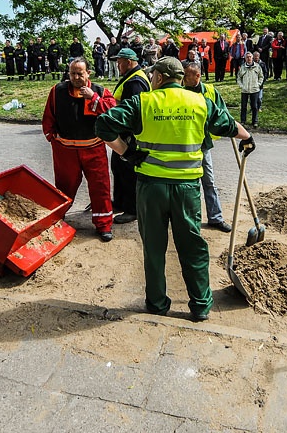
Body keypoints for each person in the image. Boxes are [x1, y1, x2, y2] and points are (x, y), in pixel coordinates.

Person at [95, 56, 255, 321]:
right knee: (192, 246)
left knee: (154, 248)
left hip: (150, 187)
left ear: (158, 77)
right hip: (187, 189)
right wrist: (248, 138)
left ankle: (157, 304)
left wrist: (126, 152)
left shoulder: (144, 102)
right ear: (181, 78)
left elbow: (103, 125)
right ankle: (201, 305)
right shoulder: (201, 103)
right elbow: (228, 125)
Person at [42, 58, 117, 242]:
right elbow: (48, 117)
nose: (76, 77)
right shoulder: (57, 91)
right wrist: (53, 138)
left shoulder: (100, 90)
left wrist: (93, 98)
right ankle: (58, 217)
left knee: (100, 188)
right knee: (63, 187)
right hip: (65, 151)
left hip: (94, 149)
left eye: (80, 73)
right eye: (72, 73)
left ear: (88, 73)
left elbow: (113, 112)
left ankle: (104, 225)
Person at [181, 60, 232, 233]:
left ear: (197, 75)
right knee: (188, 184)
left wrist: (231, 126)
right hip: (185, 144)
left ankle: (215, 217)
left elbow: (223, 113)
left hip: (202, 145)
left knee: (209, 181)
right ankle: (188, 221)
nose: (183, 78)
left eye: (186, 75)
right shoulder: (180, 92)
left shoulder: (210, 91)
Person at [108, 47, 150, 224]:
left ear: (130, 62)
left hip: (129, 135)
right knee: (118, 167)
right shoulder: (131, 77)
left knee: (128, 171)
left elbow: (132, 112)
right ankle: (119, 202)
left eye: (120, 61)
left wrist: (125, 134)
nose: (118, 64)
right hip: (123, 133)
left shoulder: (135, 82)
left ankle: (132, 209)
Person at [237, 52, 264, 127]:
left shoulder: (257, 66)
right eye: (247, 57)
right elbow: (238, 78)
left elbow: (261, 76)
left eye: (250, 57)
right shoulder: (242, 67)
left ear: (252, 58)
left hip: (254, 90)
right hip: (245, 90)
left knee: (254, 106)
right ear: (245, 58)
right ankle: (243, 121)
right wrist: (241, 86)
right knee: (243, 106)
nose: (249, 58)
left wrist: (258, 84)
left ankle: (255, 121)